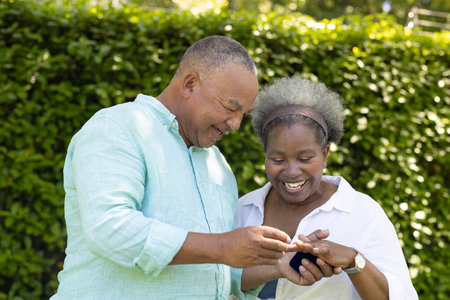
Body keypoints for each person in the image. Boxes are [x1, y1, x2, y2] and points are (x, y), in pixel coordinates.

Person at [50, 36, 312, 300]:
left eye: (243, 114)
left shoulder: (217, 165)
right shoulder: (117, 127)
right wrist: (221, 246)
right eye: (231, 107)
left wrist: (279, 265)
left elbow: (213, 271)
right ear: (190, 84)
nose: (235, 124)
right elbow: (110, 228)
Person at [236, 76, 419, 299]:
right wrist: (274, 268)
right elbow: (216, 280)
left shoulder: (363, 213)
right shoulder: (244, 209)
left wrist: (353, 260)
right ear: (265, 156)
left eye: (305, 158)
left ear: (325, 155)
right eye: (277, 159)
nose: (292, 171)